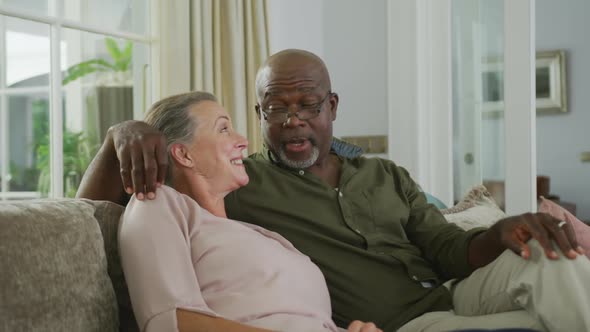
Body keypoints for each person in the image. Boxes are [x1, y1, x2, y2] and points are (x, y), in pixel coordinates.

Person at [78, 49, 590, 332]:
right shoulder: (239, 183)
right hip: (398, 325)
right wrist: (120, 136)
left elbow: (449, 250)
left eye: (308, 105)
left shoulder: (383, 174)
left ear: (333, 107)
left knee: (553, 256)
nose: (294, 120)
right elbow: (100, 208)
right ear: (261, 115)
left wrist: (501, 230)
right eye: (276, 108)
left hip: (452, 293)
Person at [117, 91, 382, 332]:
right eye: (223, 129)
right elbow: (170, 321)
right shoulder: (158, 202)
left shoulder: (256, 233)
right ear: (183, 155)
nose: (243, 141)